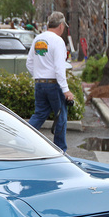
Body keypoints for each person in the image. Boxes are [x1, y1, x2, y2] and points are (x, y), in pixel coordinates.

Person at [26, 11, 74, 152]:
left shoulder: (38, 39)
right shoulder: (58, 41)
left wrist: (39, 75)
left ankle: (23, 141)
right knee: (61, 116)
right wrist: (66, 90)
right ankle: (60, 150)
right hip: (54, 84)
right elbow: (60, 68)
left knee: (39, 114)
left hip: (39, 83)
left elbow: (29, 62)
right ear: (60, 26)